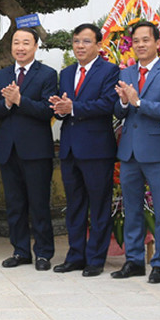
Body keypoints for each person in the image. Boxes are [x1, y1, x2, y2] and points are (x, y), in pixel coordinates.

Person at [49, 23, 119, 277]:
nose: (80, 46)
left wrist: (74, 108)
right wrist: (59, 107)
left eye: (86, 41)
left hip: (97, 150)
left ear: (99, 45)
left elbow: (108, 104)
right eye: (76, 41)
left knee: (99, 206)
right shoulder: (67, 72)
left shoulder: (110, 71)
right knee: (75, 205)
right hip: (70, 148)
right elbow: (64, 106)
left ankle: (96, 259)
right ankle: (75, 256)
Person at [0, 27, 57, 271]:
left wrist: (20, 100)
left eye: (26, 42)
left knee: (39, 205)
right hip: (9, 150)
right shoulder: (1, 76)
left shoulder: (47, 74)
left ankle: (43, 253)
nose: (20, 47)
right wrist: (7, 103)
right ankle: (20, 251)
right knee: (15, 205)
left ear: (35, 46)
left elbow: (48, 111)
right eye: (16, 42)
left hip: (36, 151)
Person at [112, 21, 160, 283]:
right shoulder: (125, 73)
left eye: (145, 40)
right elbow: (118, 112)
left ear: (157, 43)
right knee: (132, 209)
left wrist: (138, 101)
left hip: (158, 150)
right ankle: (134, 261)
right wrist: (125, 102)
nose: (140, 45)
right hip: (129, 152)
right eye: (136, 40)